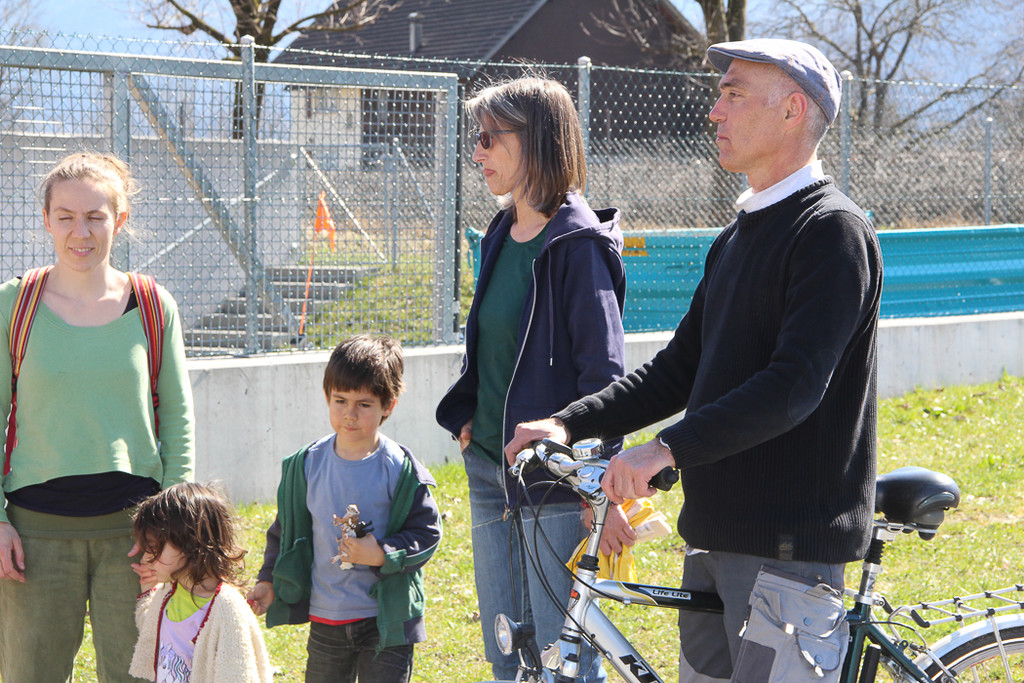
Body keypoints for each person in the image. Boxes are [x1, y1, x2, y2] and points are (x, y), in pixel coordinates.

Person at [506, 40, 883, 683]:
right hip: (713, 534)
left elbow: (793, 386)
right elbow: (679, 369)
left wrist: (665, 450)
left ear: (793, 110)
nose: (715, 111)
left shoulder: (831, 231)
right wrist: (568, 422)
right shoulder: (737, 236)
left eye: (734, 94)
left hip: (786, 545)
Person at [435, 75, 627, 682]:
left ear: (537, 139)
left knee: (561, 657)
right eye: (476, 138)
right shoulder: (499, 232)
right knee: (505, 653)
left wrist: (600, 488)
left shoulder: (579, 245)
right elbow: (492, 346)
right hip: (488, 468)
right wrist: (469, 420)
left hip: (555, 483)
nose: (477, 153)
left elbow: (605, 377)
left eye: (489, 138)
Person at [0, 152, 196, 683]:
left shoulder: (153, 305)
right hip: (33, 537)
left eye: (95, 216)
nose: (80, 232)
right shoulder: (14, 305)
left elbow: (178, 419)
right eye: (66, 216)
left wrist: (173, 527)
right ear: (46, 220)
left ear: (120, 219)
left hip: (135, 539)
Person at [249, 334, 441, 683]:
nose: (349, 414)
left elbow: (427, 534)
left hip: (386, 622)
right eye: (340, 400)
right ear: (327, 396)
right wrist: (268, 580)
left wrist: (382, 553)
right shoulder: (306, 465)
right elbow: (284, 532)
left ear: (388, 406)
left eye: (364, 404)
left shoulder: (400, 468)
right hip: (327, 618)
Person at [129, 482, 272, 682]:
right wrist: (148, 592)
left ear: (189, 543)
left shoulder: (227, 608)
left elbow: (238, 674)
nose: (145, 558)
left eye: (153, 547)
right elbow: (150, 630)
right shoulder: (169, 591)